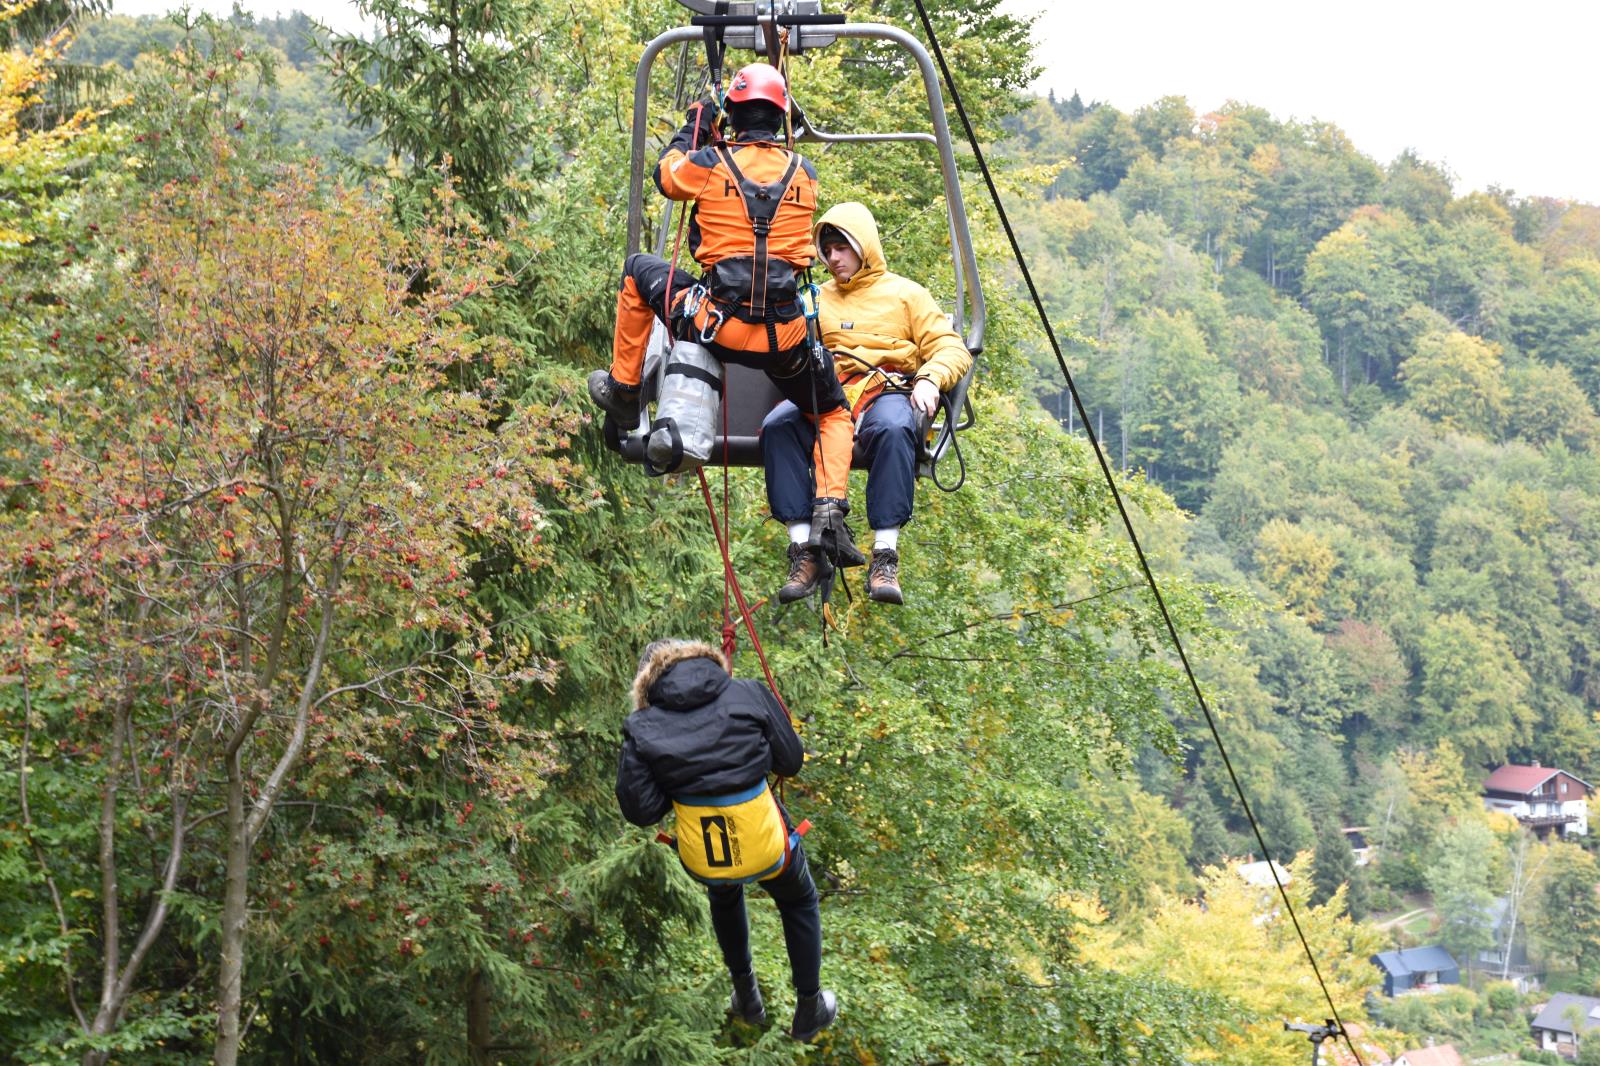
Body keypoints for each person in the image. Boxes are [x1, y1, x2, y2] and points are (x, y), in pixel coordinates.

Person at [587, 62, 864, 569]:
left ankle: (626, 393)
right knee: (830, 412)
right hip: (785, 338)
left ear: (733, 116)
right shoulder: (806, 174)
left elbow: (666, 176)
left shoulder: (708, 163)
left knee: (636, 272)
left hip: (718, 325)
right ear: (780, 119)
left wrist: (698, 122)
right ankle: (829, 509)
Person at [616, 639, 839, 1042]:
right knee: (798, 898)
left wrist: (681, 782)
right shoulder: (747, 692)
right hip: (767, 844)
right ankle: (809, 1005)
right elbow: (790, 761)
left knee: (723, 890)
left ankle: (747, 992)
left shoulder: (641, 728)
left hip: (706, 857)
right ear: (703, 660)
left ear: (647, 683)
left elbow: (641, 811)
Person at [762, 201, 973, 605]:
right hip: (828, 391)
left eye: (842, 247)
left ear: (863, 246)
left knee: (896, 429)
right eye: (827, 250)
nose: (833, 258)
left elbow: (951, 347)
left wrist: (930, 379)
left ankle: (885, 555)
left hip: (885, 389)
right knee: (778, 427)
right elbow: (785, 343)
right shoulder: (815, 299)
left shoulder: (907, 294)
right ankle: (805, 550)